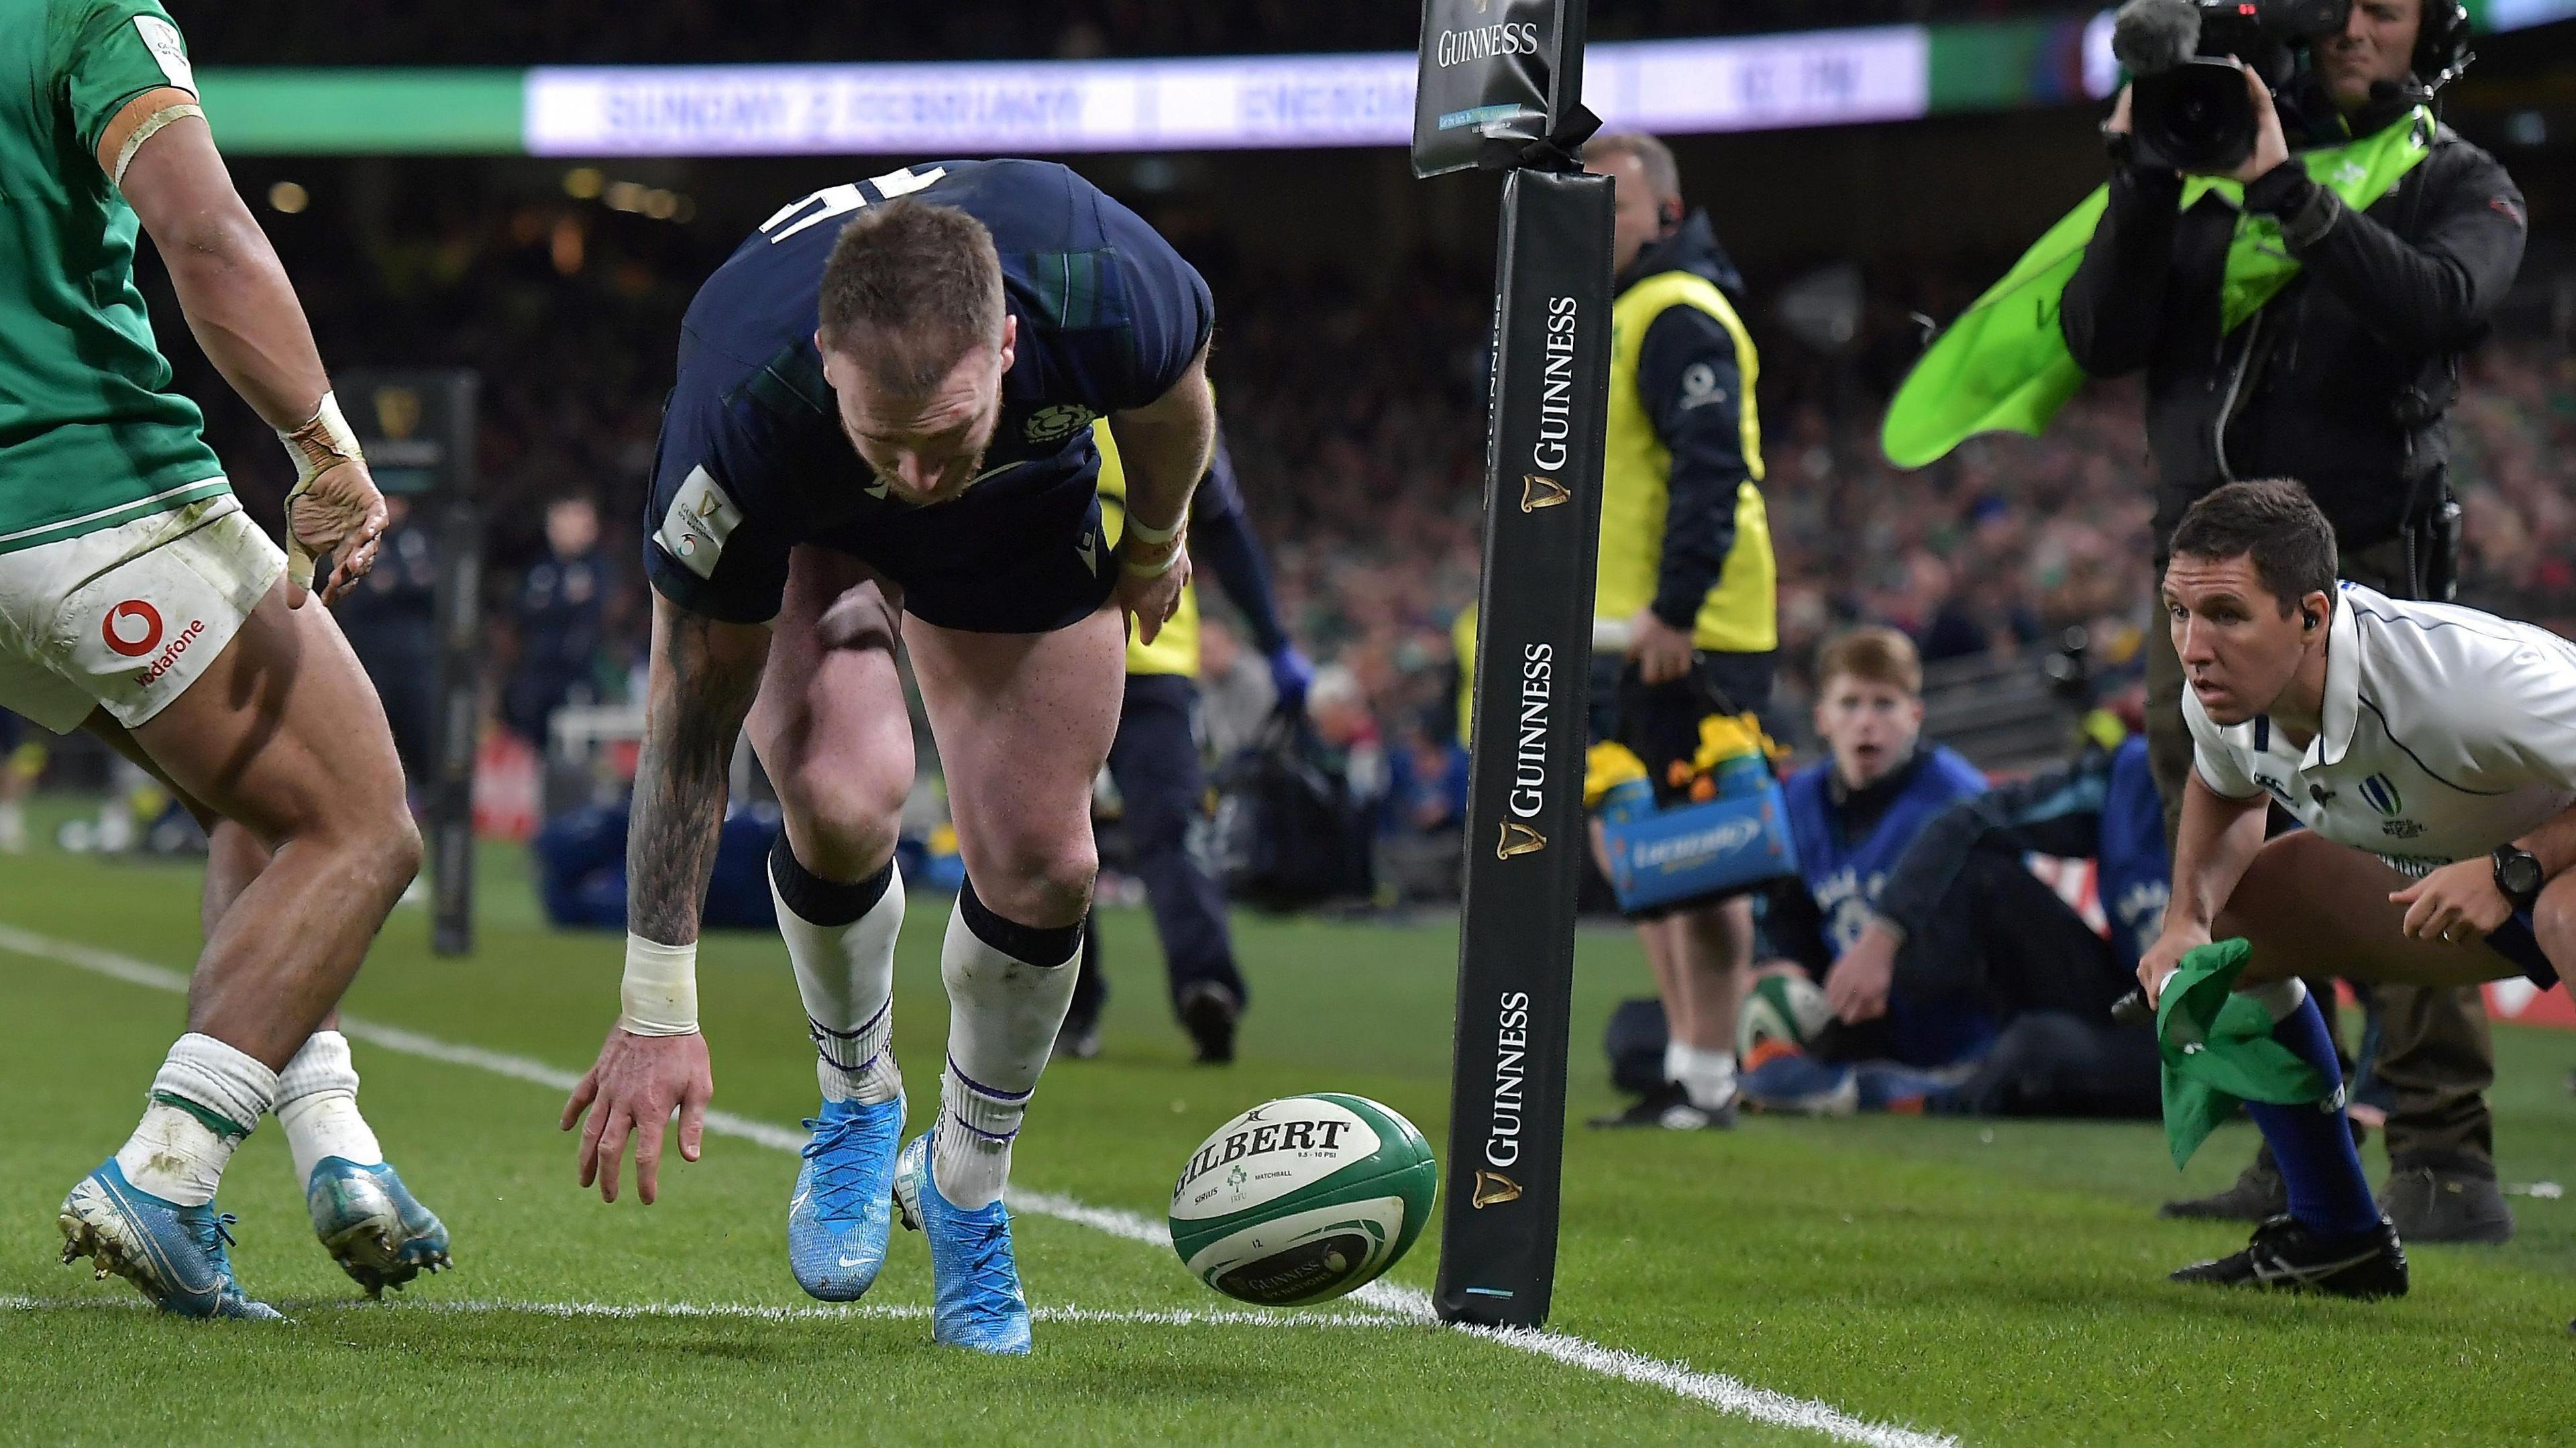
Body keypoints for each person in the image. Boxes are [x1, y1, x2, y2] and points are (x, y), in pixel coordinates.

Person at [562, 161, 1214, 1357]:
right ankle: (859, 1098)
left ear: (1011, 344)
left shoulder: (1102, 279)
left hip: (1020, 509)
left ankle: (964, 1185)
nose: (920, 473)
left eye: (946, 429)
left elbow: (1177, 402)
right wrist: (656, 1007)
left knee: (1049, 862)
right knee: (839, 793)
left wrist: (1156, 538)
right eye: (891, 437)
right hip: (819, 523)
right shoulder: (744, 402)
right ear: (825, 357)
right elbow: (692, 721)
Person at [2062, 0, 2526, 1241]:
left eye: (2385, 9)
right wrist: (2145, 169)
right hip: (2206, 576)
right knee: (2231, 862)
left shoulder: (2451, 175)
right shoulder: (2198, 172)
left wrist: (2288, 190)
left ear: (2435, 32)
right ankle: (2298, 1152)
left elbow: (2439, 304)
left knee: (2410, 843)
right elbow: (2098, 334)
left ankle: (2441, 1151)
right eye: (2338, 6)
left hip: (2364, 563)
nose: (2353, 30)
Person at [9, 1, 443, 1317]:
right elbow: (205, 233)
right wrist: (323, 447)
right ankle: (170, 1165)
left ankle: (334, 1143)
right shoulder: (86, 13)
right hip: (84, 491)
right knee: (366, 826)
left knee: (257, 803)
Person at [2142, 479, 2576, 1295]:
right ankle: (2336, 1236)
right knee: (2236, 930)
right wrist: (2185, 922)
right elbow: (2226, 788)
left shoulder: (2464, 682)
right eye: (2177, 610)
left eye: (2226, 614)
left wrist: (2515, 866)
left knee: (2567, 913)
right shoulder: (2223, 684)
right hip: (2469, 876)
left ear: (2311, 616)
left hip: (2539, 874)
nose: (2192, 645)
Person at [1576, 131, 1781, 1131]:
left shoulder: (1677, 312)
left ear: (1663, 211)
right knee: (1644, 846)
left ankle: (1709, 1075)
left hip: (1689, 629)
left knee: (1706, 856)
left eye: (1610, 204)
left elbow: (1712, 469)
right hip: (1627, 627)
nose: (1593, 221)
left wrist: (1677, 608)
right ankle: (1687, 1065)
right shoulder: (1616, 315)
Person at [1060, 423, 1313, 1064]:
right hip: (1054, 651)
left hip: (1149, 651)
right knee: (1058, 842)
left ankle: (1207, 990)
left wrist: (1275, 640)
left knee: (1169, 826)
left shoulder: (1179, 385)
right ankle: (1063, 1008)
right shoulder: (1041, 372)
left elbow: (1222, 524)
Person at [1837, 734, 2169, 1119]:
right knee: (1980, 879)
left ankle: (1933, 1097)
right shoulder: (2127, 777)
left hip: (2218, 1042)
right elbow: (1968, 823)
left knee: (2037, 1050)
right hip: (2139, 1002)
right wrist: (1883, 936)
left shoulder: (2251, 784)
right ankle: (1888, 1046)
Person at [1748, 630, 1998, 1087]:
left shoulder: (1959, 797)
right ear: (1822, 717)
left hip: (1940, 1020)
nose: (1866, 721)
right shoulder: (1797, 798)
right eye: (1849, 703)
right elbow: (1777, 909)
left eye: (1884, 704)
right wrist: (1771, 960)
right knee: (1637, 1032)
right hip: (1834, 1004)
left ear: (1915, 715)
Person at [333, 492, 441, 785]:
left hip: (414, 659)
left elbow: (433, 588)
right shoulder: (355, 539)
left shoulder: (418, 538)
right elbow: (349, 594)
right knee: (372, 732)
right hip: (370, 657)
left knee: (421, 733)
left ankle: (428, 797)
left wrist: (393, 586)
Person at [504, 493, 610, 748]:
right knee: (531, 741)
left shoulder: (598, 567)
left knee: (578, 745)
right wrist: (565, 601)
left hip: (579, 673)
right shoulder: (540, 568)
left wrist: (551, 604)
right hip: (539, 672)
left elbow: (600, 606)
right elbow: (523, 609)